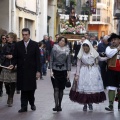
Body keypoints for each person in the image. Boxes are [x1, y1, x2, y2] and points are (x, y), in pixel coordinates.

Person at [69, 40, 106, 111]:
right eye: (84, 47)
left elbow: (100, 58)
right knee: (84, 89)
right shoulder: (81, 54)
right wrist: (77, 75)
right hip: (84, 71)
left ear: (89, 47)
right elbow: (78, 65)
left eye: (86, 47)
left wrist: (108, 58)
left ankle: (90, 103)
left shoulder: (93, 52)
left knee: (91, 89)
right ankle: (85, 104)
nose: (85, 48)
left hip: (93, 71)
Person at [11, 28, 41, 112]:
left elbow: (38, 59)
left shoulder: (35, 44)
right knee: (23, 89)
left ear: (29, 35)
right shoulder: (18, 44)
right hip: (22, 70)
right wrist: (13, 64)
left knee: (31, 89)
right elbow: (15, 57)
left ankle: (32, 103)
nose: (24, 36)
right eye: (23, 35)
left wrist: (38, 71)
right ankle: (23, 106)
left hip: (31, 71)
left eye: (26, 35)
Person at [50, 36, 71, 112]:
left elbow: (68, 62)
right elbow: (51, 60)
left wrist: (68, 72)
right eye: (60, 40)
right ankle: (56, 105)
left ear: (65, 42)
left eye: (63, 41)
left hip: (63, 71)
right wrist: (51, 70)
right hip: (55, 71)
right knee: (56, 88)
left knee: (61, 89)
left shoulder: (67, 50)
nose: (62, 42)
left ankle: (60, 105)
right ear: (58, 41)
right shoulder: (54, 49)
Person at [0, 32, 17, 107]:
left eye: (8, 37)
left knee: (13, 83)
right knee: (6, 82)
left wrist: (12, 56)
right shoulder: (5, 46)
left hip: (13, 66)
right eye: (6, 37)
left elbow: (19, 56)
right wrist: (6, 56)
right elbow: (1, 55)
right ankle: (8, 92)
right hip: (6, 66)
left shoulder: (17, 46)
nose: (7, 38)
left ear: (12, 38)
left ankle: (10, 98)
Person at [105, 33, 120, 111]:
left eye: (115, 40)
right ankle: (111, 105)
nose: (113, 41)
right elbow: (109, 54)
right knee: (111, 88)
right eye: (112, 40)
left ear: (119, 40)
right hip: (111, 71)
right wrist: (117, 49)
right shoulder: (109, 48)